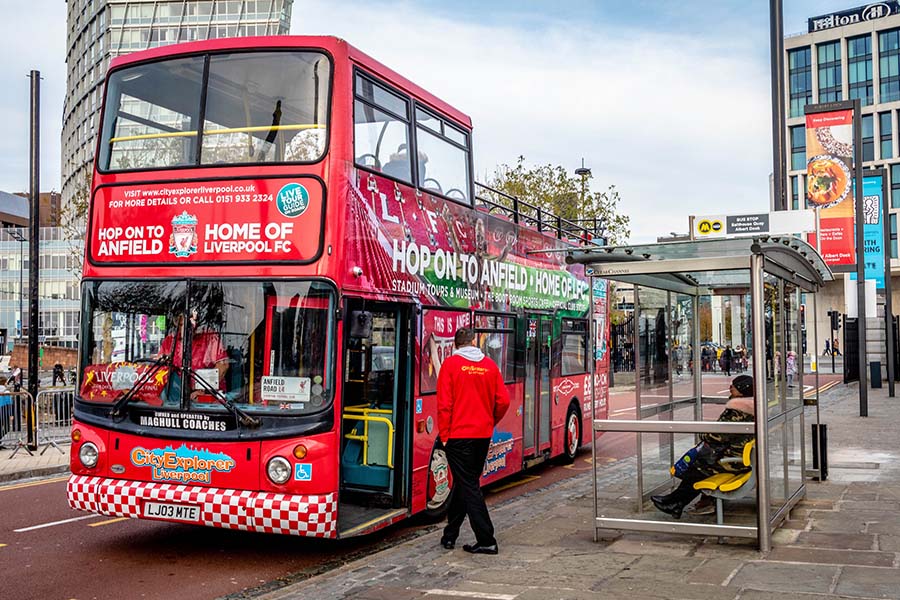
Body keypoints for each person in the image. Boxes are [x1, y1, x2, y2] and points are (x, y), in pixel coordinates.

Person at [437, 327, 510, 555]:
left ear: (456, 345)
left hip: (458, 436)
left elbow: (444, 405)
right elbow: (504, 401)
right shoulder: (489, 366)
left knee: (469, 486)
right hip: (482, 435)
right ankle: (450, 535)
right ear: (473, 342)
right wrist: (490, 421)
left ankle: (486, 539)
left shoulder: (450, 365)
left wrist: (445, 436)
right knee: (465, 483)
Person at [650, 375, 755, 519]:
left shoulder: (738, 411)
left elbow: (719, 435)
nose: (730, 387)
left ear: (743, 390)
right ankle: (677, 502)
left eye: (734, 386)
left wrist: (703, 435)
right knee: (697, 465)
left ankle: (676, 502)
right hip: (739, 456)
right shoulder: (749, 406)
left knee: (697, 467)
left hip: (733, 460)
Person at [158, 311, 229, 403]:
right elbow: (160, 367)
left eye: (187, 324)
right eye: (180, 325)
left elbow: (223, 366)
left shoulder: (210, 338)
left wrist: (203, 390)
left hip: (208, 397)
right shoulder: (169, 341)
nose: (183, 328)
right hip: (175, 397)